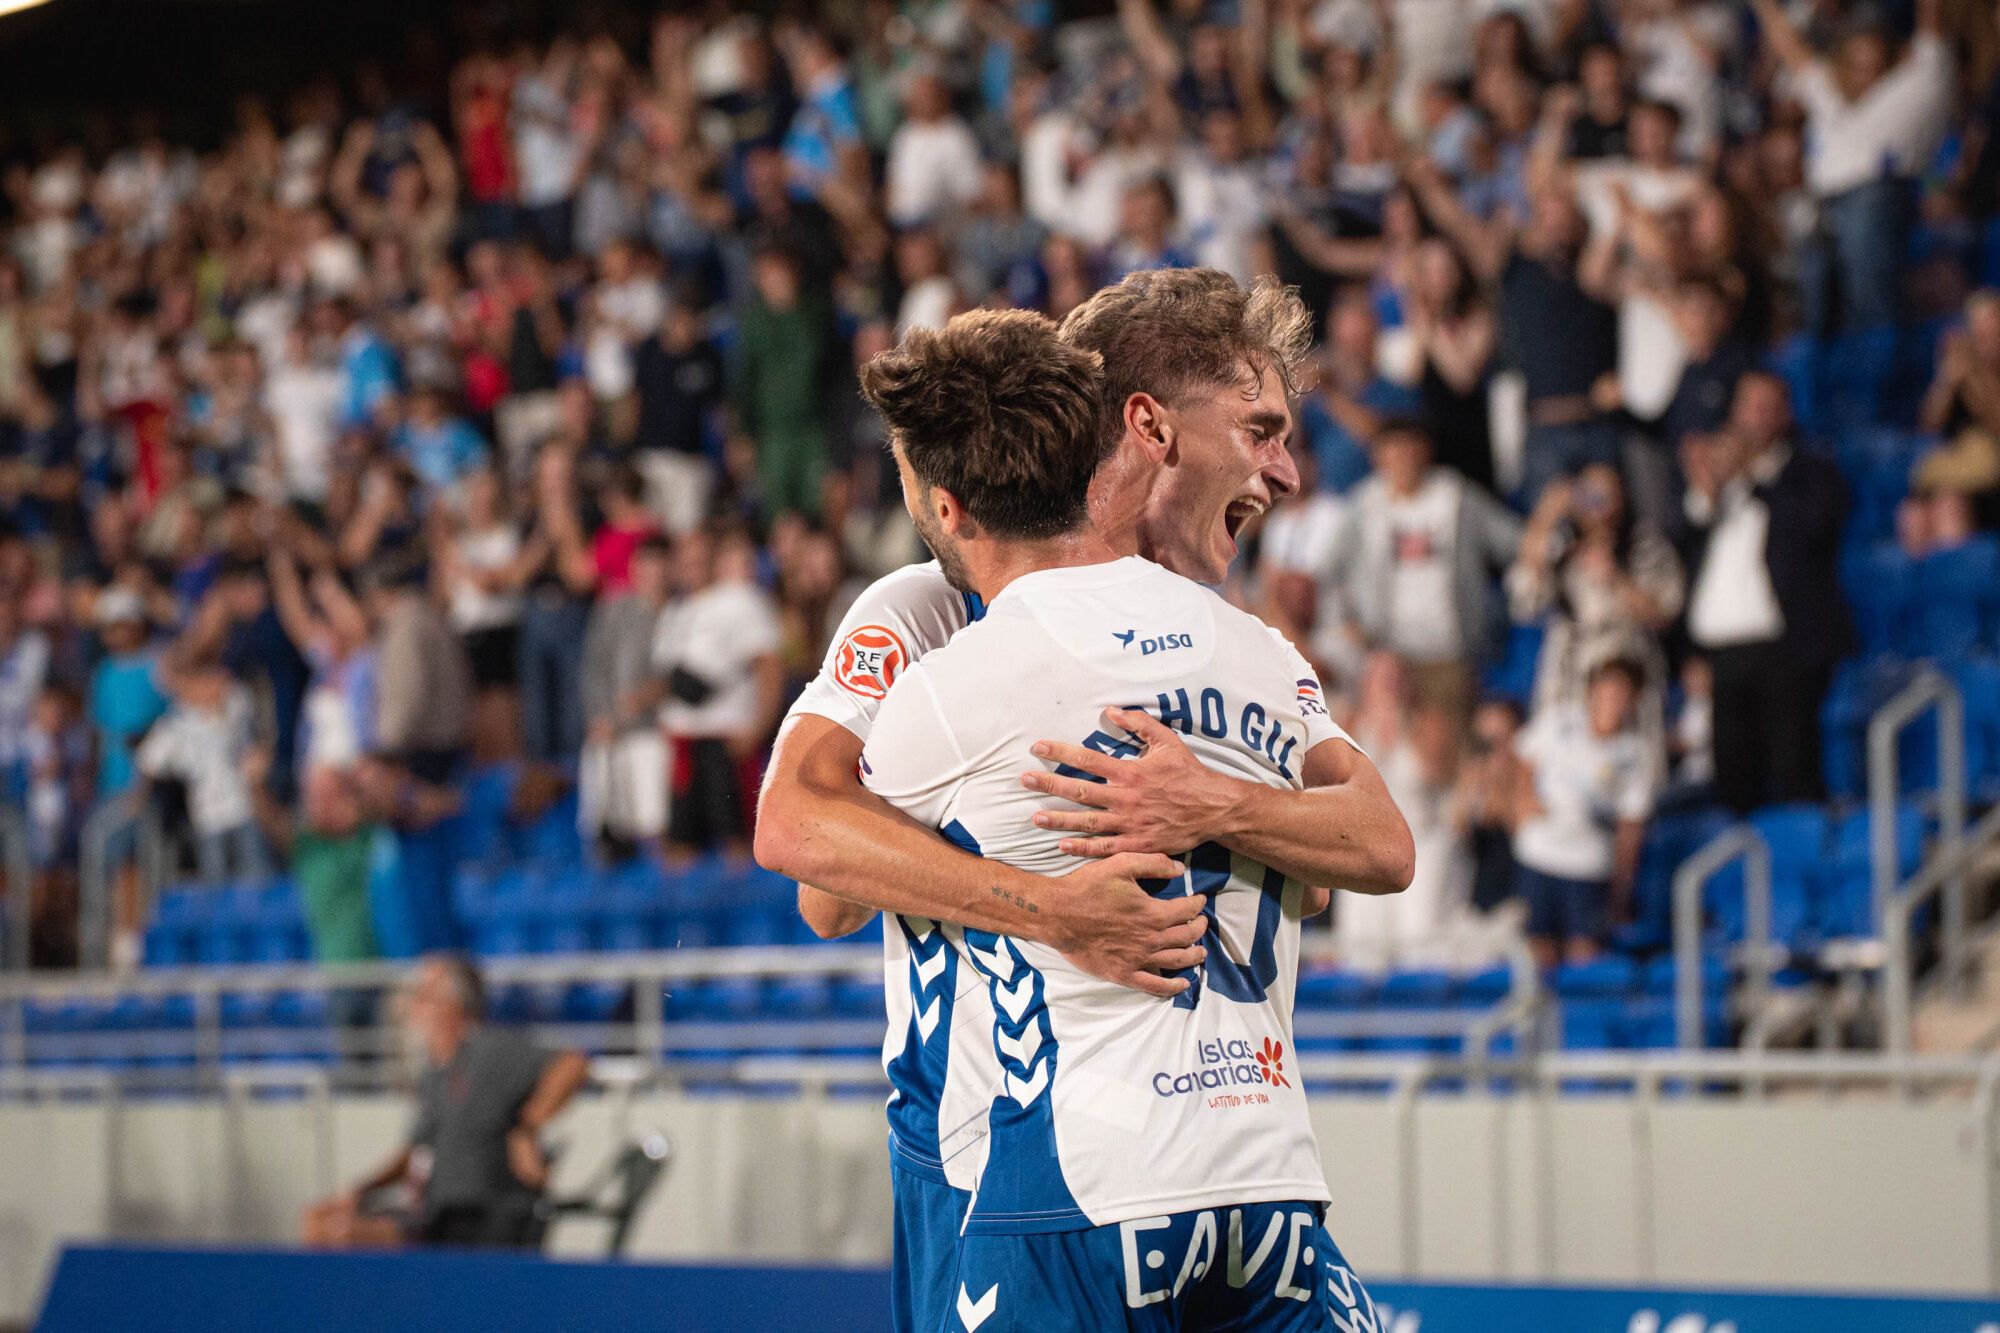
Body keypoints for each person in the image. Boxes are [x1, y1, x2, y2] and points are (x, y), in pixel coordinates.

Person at [755, 268, 1412, 1333]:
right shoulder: (934, 606)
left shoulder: (1230, 637)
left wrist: (1208, 805)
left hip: (1193, 1153)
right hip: (973, 1146)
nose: (1282, 471)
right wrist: (1041, 898)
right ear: (1148, 429)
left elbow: (1359, 857)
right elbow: (815, 867)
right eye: (1258, 429)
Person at [300, 954, 588, 1249]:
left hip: (478, 1217)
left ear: (451, 1005)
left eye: (421, 996)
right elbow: (413, 1152)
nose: (411, 1007)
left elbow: (572, 1063)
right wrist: (357, 1193)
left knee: (341, 1236)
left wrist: (527, 1126)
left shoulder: (491, 1051)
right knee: (319, 1221)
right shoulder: (436, 1073)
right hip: (435, 1214)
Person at [1676, 373, 1851, 813]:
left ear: (1784, 414)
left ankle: (1806, 863)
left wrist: (1753, 475)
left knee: (1793, 769)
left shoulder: (1809, 471)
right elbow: (1688, 550)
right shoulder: (1722, 486)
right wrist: (1708, 485)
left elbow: (1813, 528)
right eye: (1747, 405)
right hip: (1723, 654)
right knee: (1733, 777)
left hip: (1784, 649)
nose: (1753, 417)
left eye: (1765, 406)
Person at [1509, 656, 1656, 968]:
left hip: (1589, 865)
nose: (1611, 701)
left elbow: (1631, 824)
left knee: (1585, 955)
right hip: (1539, 854)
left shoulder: (1635, 753)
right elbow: (1523, 757)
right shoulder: (1558, 721)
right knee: (1537, 952)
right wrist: (1523, 801)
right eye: (1605, 690)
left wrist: (1621, 886)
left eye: (1620, 694)